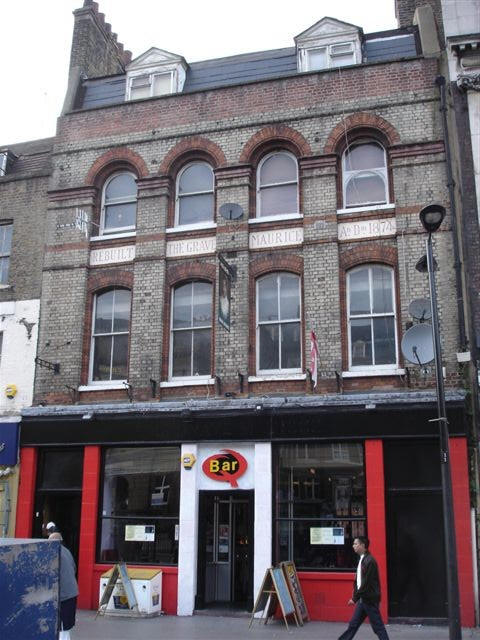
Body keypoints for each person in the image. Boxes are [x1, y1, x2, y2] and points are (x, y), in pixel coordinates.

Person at [338, 536, 390, 640]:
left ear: (363, 545)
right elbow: (359, 581)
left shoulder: (370, 561)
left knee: (378, 627)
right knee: (353, 625)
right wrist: (356, 596)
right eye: (354, 544)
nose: (353, 546)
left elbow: (366, 583)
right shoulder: (363, 559)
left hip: (369, 600)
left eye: (356, 544)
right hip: (363, 599)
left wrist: (354, 598)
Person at [49, 532, 79, 640]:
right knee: (66, 626)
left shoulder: (54, 553)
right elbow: (74, 568)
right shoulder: (67, 551)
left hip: (64, 595)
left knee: (62, 627)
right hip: (72, 592)